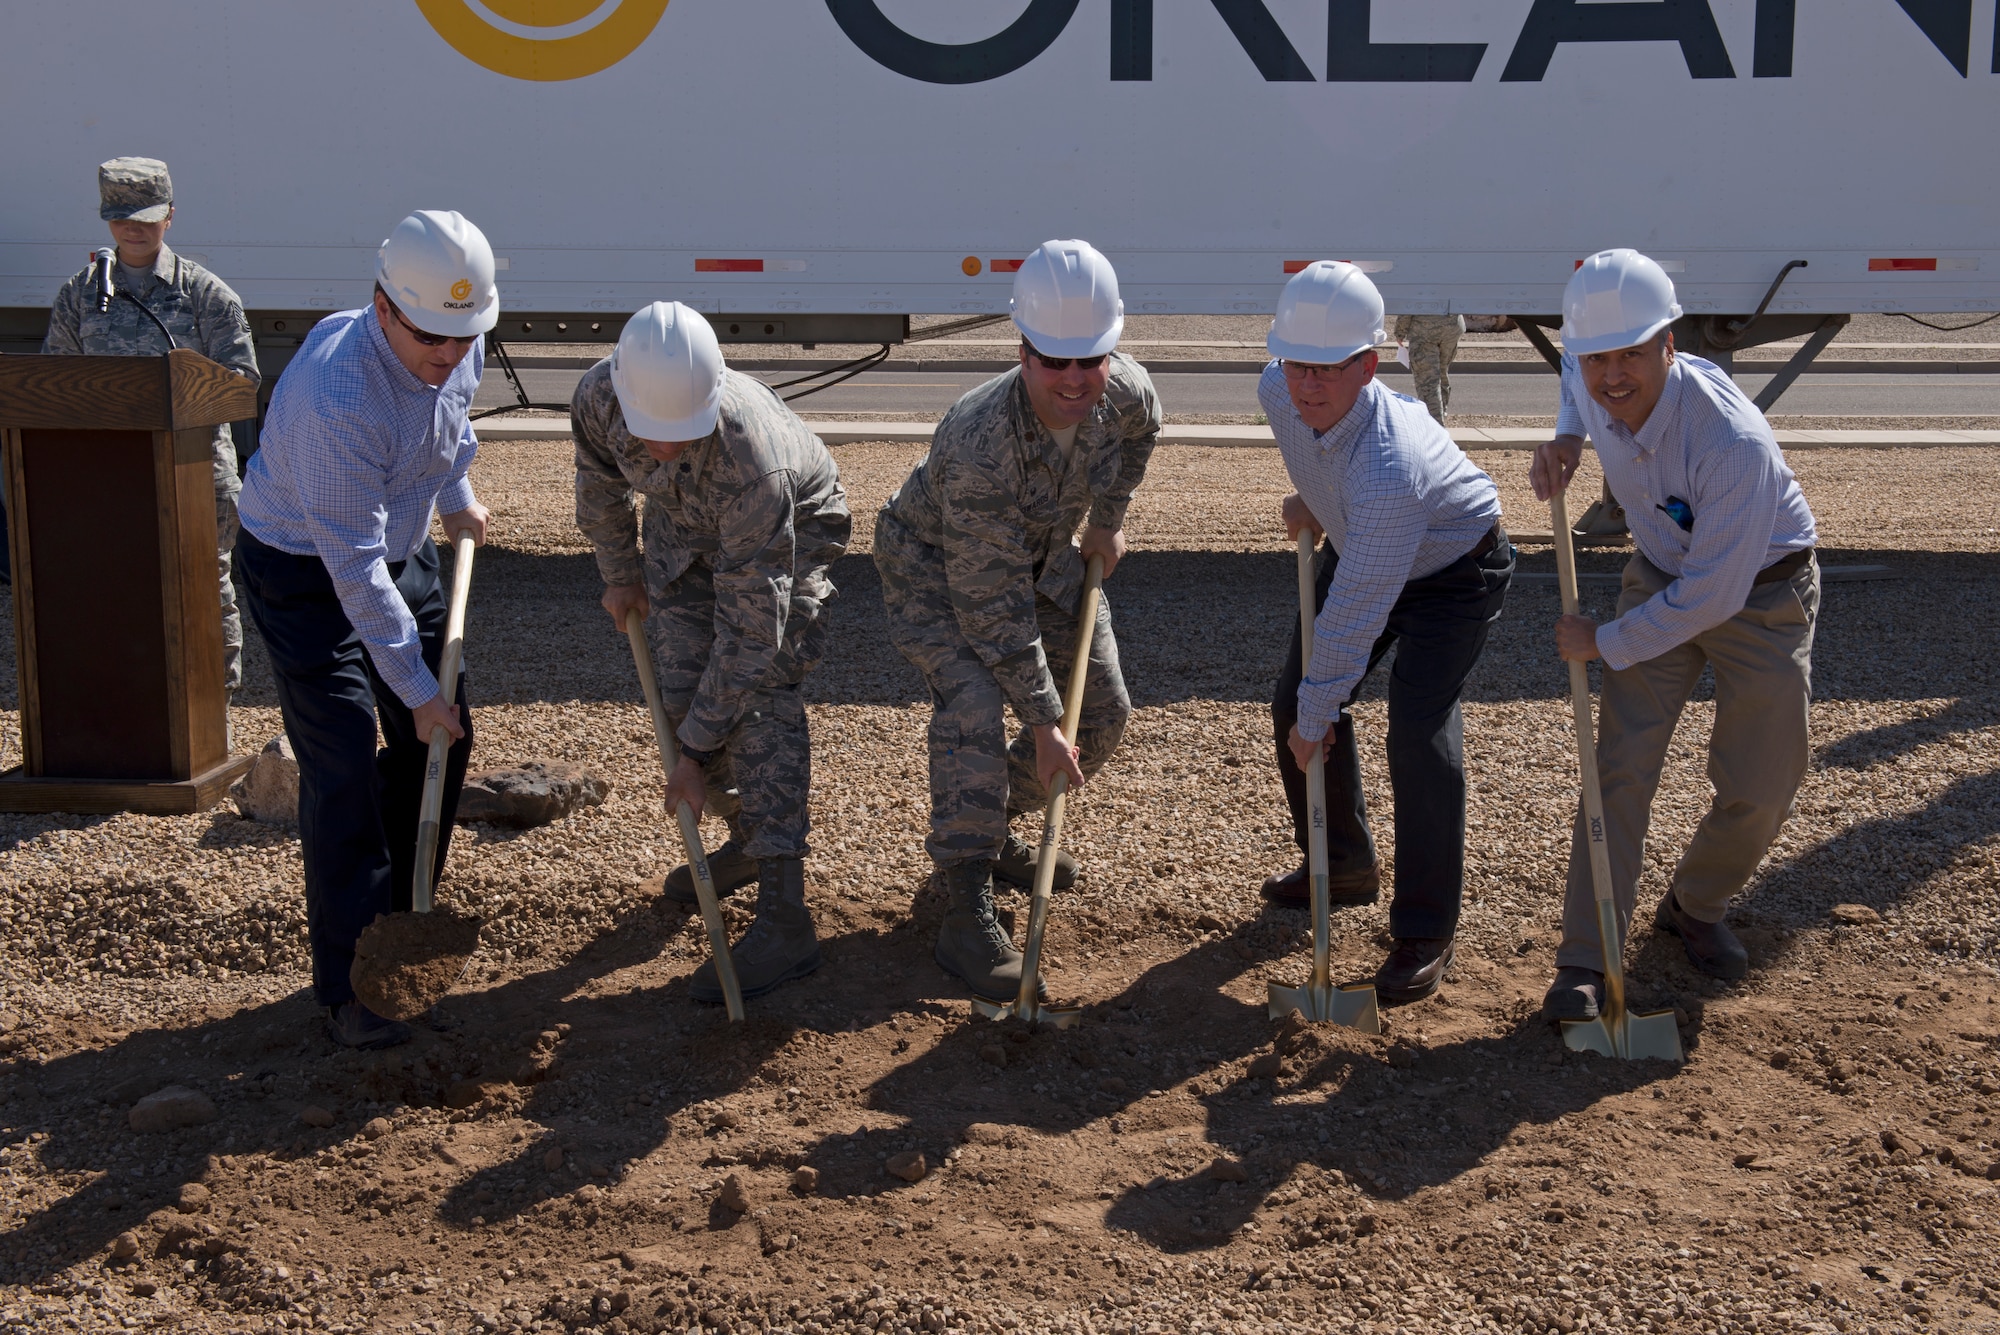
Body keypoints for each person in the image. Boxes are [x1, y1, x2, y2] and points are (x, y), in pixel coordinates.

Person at [1532, 250, 1819, 1021]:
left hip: (1758, 591)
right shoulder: (1592, 378)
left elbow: (1712, 595)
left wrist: (1606, 640)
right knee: (1618, 770)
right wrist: (1567, 436)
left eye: (1632, 353)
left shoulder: (1732, 442)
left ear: (1671, 345)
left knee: (1763, 784)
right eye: (1597, 357)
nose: (1612, 376)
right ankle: (1587, 959)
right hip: (1661, 569)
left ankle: (1696, 902)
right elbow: (1574, 378)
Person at [234, 210, 497, 1050]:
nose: (451, 354)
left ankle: (398, 923)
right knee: (343, 757)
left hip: (397, 544)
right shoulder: (336, 396)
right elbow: (352, 575)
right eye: (431, 336)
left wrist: (455, 498)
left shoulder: (456, 337)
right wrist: (413, 690)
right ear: (383, 306)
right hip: (305, 570)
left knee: (446, 737)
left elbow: (448, 429)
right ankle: (353, 984)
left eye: (464, 335)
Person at [876, 239, 1159, 1002]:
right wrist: (1038, 720)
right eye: (1053, 361)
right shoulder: (979, 444)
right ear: (1022, 350)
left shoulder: (1123, 391)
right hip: (937, 569)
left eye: (1089, 360)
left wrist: (1109, 518)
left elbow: (1144, 431)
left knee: (1102, 714)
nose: (1074, 380)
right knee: (973, 702)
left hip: (1039, 552)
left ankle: (989, 824)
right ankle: (964, 903)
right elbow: (991, 610)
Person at [574, 302, 850, 1002]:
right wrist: (619, 572)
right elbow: (602, 487)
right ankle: (745, 838)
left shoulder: (751, 458)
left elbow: (752, 638)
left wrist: (691, 757)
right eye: (652, 434)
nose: (663, 448)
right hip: (684, 525)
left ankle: (786, 916)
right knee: (682, 697)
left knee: (759, 703)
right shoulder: (600, 399)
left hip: (788, 530)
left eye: (681, 434)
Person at [1260, 262, 1514, 1005]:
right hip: (1368, 538)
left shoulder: (1388, 467)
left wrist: (1320, 717)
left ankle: (1425, 928)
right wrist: (1313, 496)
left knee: (1418, 728)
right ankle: (1340, 866)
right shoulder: (1276, 390)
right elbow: (1318, 456)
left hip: (1455, 569)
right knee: (1290, 699)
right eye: (1297, 364)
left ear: (1368, 367)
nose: (1307, 386)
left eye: (1329, 371)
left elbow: (1354, 615)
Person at [41, 157, 259, 707]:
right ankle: (131, 710)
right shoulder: (82, 294)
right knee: (114, 589)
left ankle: (213, 710)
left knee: (205, 592)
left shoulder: (204, 294)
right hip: (109, 480)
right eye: (119, 217)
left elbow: (242, 386)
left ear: (170, 216)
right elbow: (54, 386)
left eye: (143, 216)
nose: (131, 229)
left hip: (195, 476)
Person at [1393, 312, 1464, 424]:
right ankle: (1442, 412)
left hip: (1423, 330)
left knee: (1428, 381)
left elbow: (1412, 302)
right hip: (1452, 326)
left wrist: (1400, 331)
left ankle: (1434, 426)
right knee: (1442, 372)